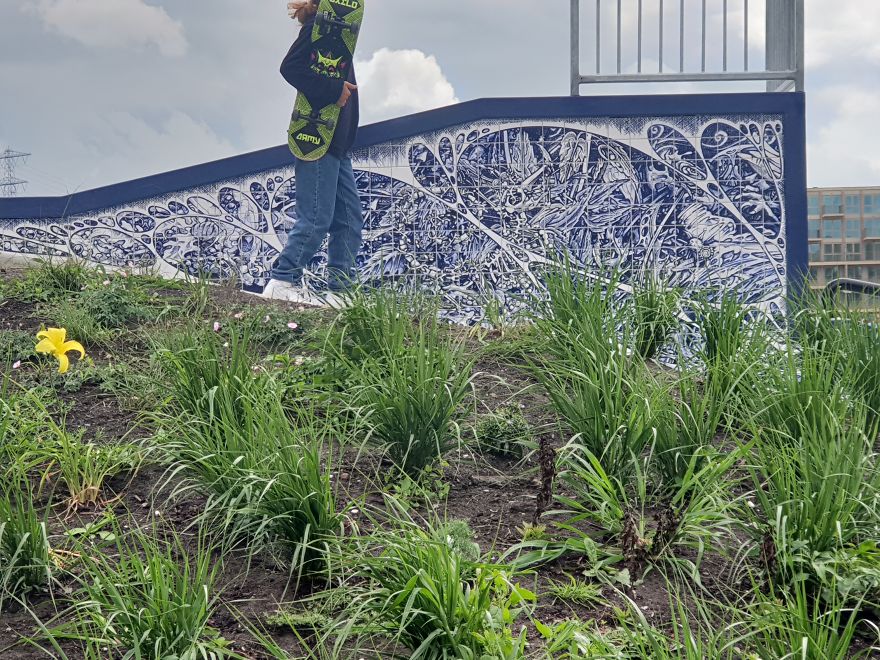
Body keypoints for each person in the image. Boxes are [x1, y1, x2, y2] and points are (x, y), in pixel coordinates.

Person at [263, 0, 363, 305]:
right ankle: (282, 280)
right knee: (316, 217)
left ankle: (339, 291)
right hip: (316, 140)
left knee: (348, 219)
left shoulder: (337, 38)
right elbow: (289, 67)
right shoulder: (315, 31)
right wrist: (333, 90)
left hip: (338, 145)